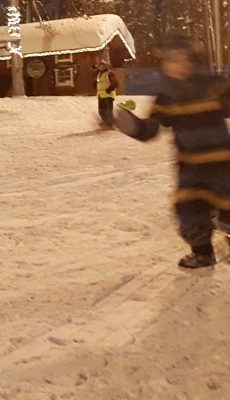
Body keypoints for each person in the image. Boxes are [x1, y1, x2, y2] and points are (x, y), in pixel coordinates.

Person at [115, 38, 230, 268]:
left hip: (222, 163)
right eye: (170, 61)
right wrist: (136, 127)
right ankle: (202, 252)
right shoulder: (166, 97)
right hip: (190, 167)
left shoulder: (214, 86)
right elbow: (152, 127)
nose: (176, 65)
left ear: (192, 61)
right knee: (188, 211)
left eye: (181, 59)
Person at [95, 61, 118, 128]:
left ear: (106, 66)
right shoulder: (99, 75)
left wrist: (109, 90)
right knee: (101, 111)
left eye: (103, 66)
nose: (101, 67)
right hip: (101, 95)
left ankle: (111, 124)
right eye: (100, 66)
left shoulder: (109, 73)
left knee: (108, 111)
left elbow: (115, 83)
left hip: (108, 95)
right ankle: (106, 123)